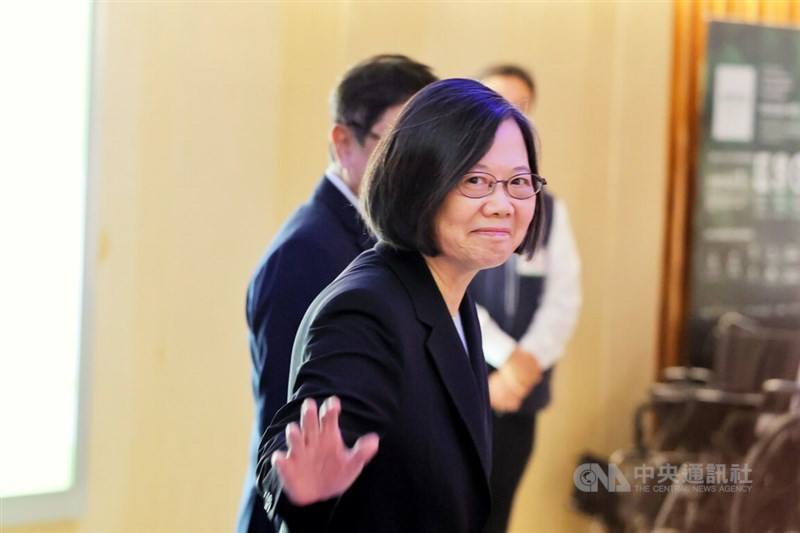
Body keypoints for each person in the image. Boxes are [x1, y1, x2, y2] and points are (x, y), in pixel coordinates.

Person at [255, 78, 547, 532]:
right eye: (475, 181)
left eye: (519, 182)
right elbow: (293, 457)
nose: (502, 204)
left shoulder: (451, 291)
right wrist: (304, 492)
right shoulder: (368, 309)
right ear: (419, 184)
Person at [237, 55, 436, 533]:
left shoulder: (396, 241)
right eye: (397, 145)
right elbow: (288, 442)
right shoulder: (305, 254)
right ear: (343, 143)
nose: (418, 169)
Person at [471, 64, 582, 533]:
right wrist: (503, 358)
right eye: (496, 102)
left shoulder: (546, 208)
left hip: (520, 395)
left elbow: (564, 298)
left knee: (499, 514)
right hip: (469, 383)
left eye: (520, 107)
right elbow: (443, 288)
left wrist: (523, 367)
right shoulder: (455, 194)